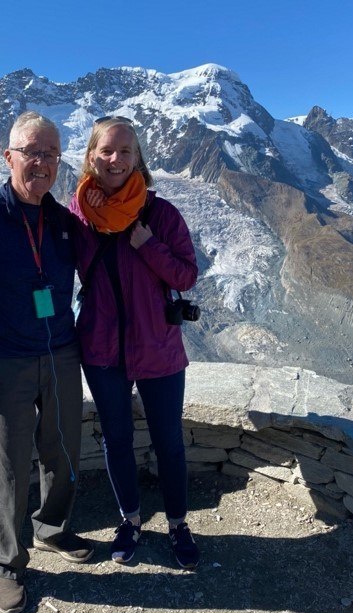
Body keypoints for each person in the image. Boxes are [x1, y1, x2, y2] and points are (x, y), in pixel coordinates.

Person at [0, 111, 93, 613]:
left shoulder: (65, 223)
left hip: (60, 353)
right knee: (8, 468)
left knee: (65, 449)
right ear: (9, 157)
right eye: (32, 151)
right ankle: (7, 564)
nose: (42, 162)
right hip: (3, 361)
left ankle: (52, 529)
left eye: (51, 154)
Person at [68, 116, 200, 569]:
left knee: (169, 442)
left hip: (158, 349)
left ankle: (179, 523)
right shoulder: (78, 217)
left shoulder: (160, 215)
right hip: (102, 351)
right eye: (107, 150)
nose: (116, 159)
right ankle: (130, 519)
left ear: (138, 158)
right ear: (90, 156)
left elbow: (186, 275)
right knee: (116, 440)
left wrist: (148, 245)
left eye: (126, 151)